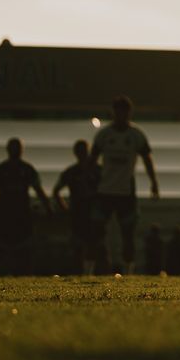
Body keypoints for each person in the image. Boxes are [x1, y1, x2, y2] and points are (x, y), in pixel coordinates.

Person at [90, 95, 158, 275]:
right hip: (104, 191)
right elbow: (92, 160)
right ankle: (94, 269)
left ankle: (128, 271)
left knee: (128, 233)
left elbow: (147, 158)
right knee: (96, 232)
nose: (121, 115)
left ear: (129, 113)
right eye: (118, 111)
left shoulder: (135, 135)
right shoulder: (104, 135)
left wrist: (154, 182)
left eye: (124, 112)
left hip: (126, 192)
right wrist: (90, 182)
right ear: (113, 112)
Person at [0, 137, 51, 275]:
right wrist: (48, 208)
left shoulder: (1, 169)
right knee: (22, 249)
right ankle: (21, 274)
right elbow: (39, 191)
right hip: (19, 214)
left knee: (11, 248)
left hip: (10, 214)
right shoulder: (26, 169)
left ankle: (7, 274)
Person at [52, 139, 102, 275]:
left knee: (92, 243)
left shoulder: (96, 171)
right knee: (81, 243)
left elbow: (56, 191)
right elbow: (56, 191)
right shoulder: (74, 172)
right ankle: (82, 271)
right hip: (80, 212)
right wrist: (65, 208)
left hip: (92, 212)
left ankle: (88, 271)